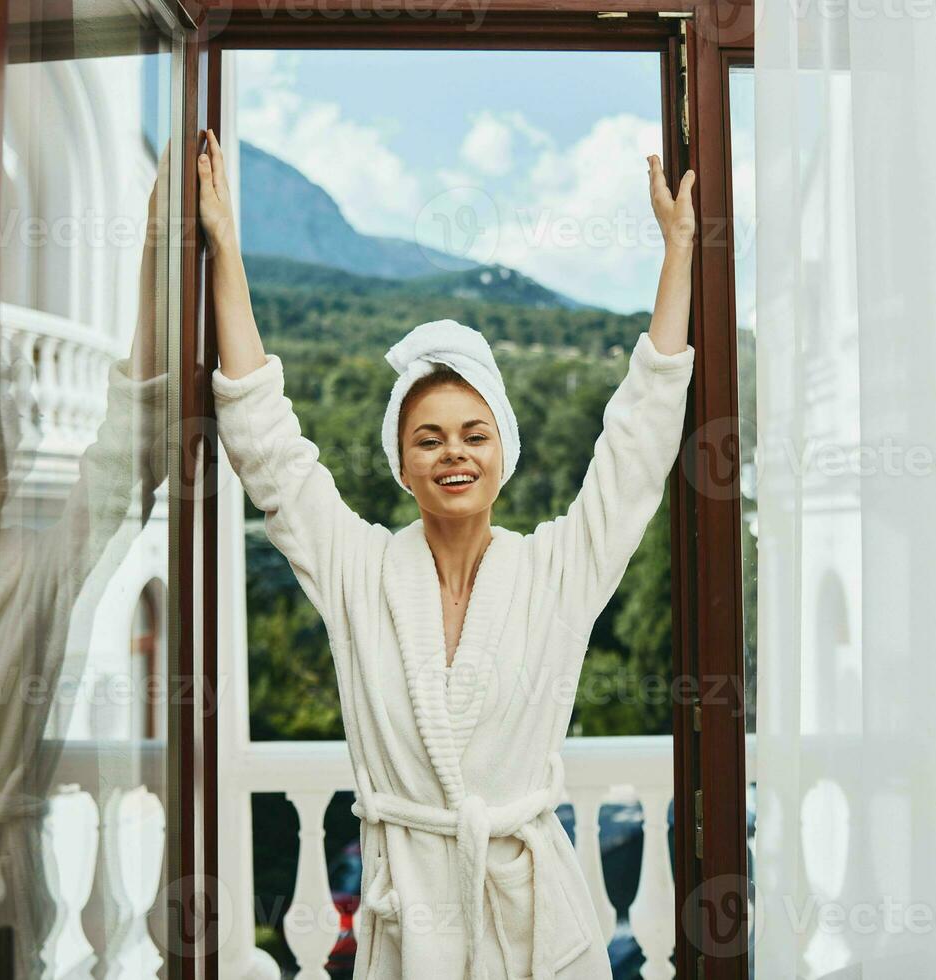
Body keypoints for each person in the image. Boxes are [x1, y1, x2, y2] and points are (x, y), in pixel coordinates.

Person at [198, 128, 696, 980]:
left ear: (505, 451)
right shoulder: (360, 572)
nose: (453, 454)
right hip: (412, 929)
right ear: (401, 462)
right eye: (428, 438)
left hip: (533, 927)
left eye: (474, 434)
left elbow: (637, 449)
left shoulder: (554, 572)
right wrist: (226, 250)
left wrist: (678, 254)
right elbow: (267, 447)